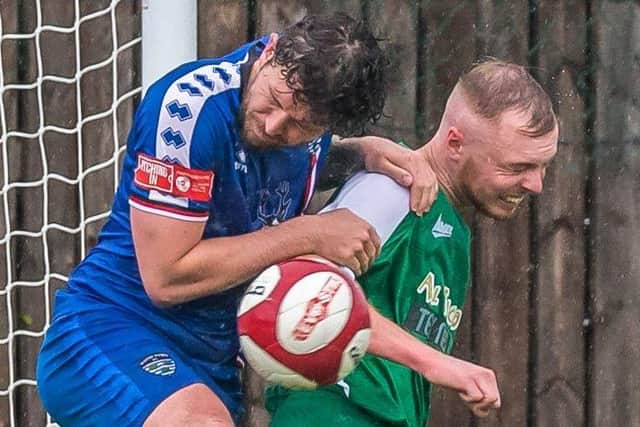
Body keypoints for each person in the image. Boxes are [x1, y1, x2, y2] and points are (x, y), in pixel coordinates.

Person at [36, 13, 437, 427]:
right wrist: (307, 233)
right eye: (276, 99)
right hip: (107, 334)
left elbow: (283, 164)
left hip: (209, 372)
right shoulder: (188, 109)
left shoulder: (309, 125)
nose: (273, 124)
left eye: (300, 125)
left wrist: (360, 154)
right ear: (267, 53)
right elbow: (166, 278)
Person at [265, 58, 559, 427]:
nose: (536, 185)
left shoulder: (447, 222)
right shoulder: (392, 189)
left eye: (543, 165)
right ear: (455, 142)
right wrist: (437, 364)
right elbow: (306, 292)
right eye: (516, 167)